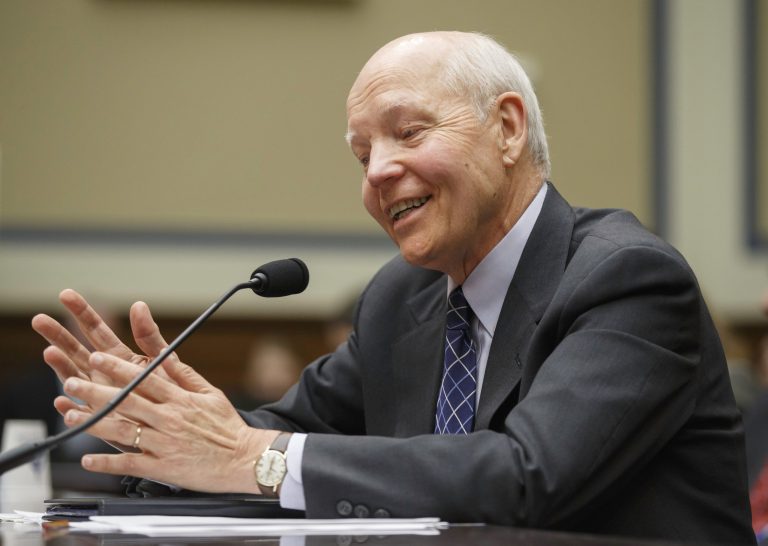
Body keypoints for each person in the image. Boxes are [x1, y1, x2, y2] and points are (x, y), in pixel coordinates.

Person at [29, 31, 755, 543]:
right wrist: (169, 434)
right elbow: (285, 434)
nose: (376, 171)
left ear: (507, 128)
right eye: (362, 152)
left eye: (407, 133)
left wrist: (252, 455)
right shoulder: (401, 297)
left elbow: (526, 477)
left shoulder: (626, 279)